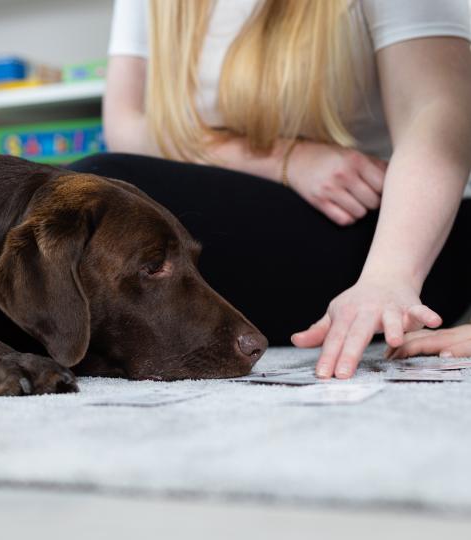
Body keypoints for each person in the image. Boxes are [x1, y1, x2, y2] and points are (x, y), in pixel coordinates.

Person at [69, 0, 471, 379]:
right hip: (249, 209)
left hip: (384, 236)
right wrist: (287, 160)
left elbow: (437, 114)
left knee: (99, 183)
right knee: (88, 198)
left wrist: (388, 276)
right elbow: (126, 125)